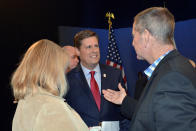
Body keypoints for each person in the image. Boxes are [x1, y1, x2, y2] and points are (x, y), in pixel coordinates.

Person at [102, 7, 196, 131]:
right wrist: (124, 101)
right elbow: (154, 114)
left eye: (133, 36)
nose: (132, 43)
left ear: (146, 36)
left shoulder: (173, 77)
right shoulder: (170, 69)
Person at [11, 39, 89, 131]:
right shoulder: (50, 106)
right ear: (52, 70)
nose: (63, 72)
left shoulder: (26, 100)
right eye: (62, 66)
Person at [65, 30, 129, 130]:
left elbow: (124, 113)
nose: (94, 50)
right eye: (89, 47)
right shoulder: (68, 80)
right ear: (77, 51)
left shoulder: (115, 74)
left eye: (96, 46)